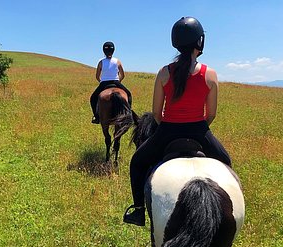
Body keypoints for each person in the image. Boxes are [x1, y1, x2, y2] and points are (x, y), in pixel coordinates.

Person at [123, 17, 232, 226]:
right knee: (226, 161)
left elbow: (156, 112)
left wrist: (169, 125)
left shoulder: (164, 72)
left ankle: (138, 211)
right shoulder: (210, 74)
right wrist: (198, 126)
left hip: (167, 131)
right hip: (200, 131)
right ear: (200, 42)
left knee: (137, 163)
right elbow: (211, 114)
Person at [90, 41, 133, 124]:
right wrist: (118, 81)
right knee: (129, 94)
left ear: (104, 51)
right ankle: (129, 114)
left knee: (93, 98)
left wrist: (101, 81)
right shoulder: (117, 61)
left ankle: (96, 116)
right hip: (116, 82)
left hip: (104, 83)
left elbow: (97, 76)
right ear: (113, 50)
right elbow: (123, 75)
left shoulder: (101, 62)